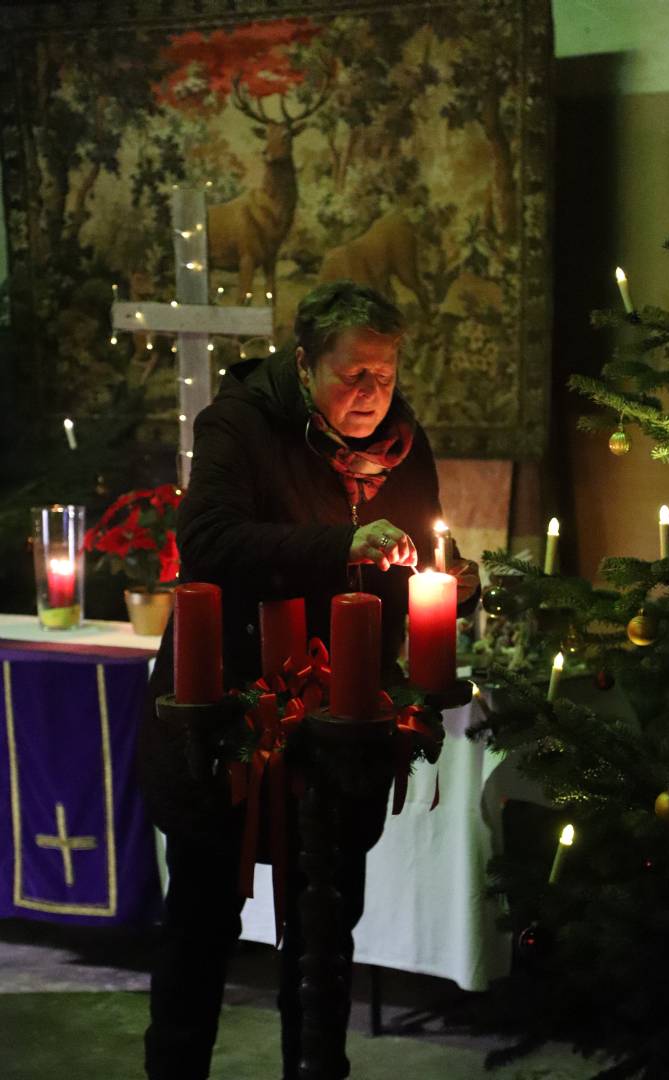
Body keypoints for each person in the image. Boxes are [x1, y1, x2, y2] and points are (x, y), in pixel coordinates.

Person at [139, 280, 478, 1080]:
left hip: (340, 721)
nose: (371, 395)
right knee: (199, 928)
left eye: (385, 376)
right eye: (351, 375)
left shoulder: (403, 443)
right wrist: (344, 544)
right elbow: (211, 543)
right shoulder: (239, 426)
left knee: (325, 930)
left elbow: (412, 565)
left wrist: (448, 583)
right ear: (302, 363)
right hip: (227, 705)